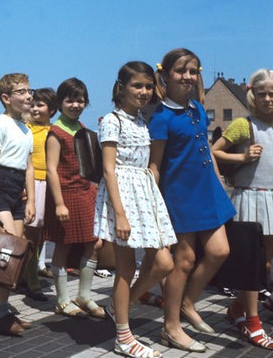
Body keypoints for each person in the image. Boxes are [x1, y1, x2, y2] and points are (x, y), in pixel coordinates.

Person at [148, 48, 234, 352]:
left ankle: (185, 302)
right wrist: (152, 206)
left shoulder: (197, 108)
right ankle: (170, 327)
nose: (187, 76)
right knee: (182, 261)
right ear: (166, 75)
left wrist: (220, 181)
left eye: (193, 71)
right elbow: (155, 165)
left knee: (220, 251)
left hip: (208, 190)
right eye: (181, 71)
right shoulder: (160, 118)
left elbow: (207, 150)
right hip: (180, 196)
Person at [94, 61, 177, 357]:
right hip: (123, 198)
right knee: (126, 267)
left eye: (147, 86)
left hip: (144, 196)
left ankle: (121, 307)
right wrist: (120, 213)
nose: (143, 91)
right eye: (136, 85)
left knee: (165, 263)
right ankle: (123, 337)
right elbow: (108, 169)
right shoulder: (112, 121)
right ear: (121, 87)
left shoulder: (142, 120)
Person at [212, 68, 273, 350]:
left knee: (266, 266)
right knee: (252, 264)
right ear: (253, 95)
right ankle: (252, 320)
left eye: (272, 93)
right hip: (250, 197)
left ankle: (237, 309)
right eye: (262, 94)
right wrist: (243, 155)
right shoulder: (244, 125)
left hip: (272, 199)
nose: (268, 99)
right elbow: (215, 150)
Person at [44, 77, 105, 319]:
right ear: (60, 103)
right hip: (65, 195)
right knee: (63, 245)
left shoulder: (82, 129)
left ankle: (84, 295)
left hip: (85, 193)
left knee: (94, 243)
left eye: (80, 100)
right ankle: (61, 300)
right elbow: (51, 169)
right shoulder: (55, 132)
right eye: (70, 100)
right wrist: (58, 203)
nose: (76, 104)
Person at [0, 73, 36, 335]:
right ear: (6, 98)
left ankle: (1, 308)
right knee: (8, 253)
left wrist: (31, 199)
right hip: (1, 186)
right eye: (22, 92)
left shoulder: (26, 129)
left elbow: (28, 166)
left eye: (30, 91)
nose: (29, 96)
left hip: (17, 191)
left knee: (18, 253)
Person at [22, 87, 57, 301]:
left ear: (51, 110)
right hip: (32, 182)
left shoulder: (54, 131)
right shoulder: (25, 129)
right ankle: (30, 278)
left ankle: (29, 273)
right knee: (31, 233)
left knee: (41, 233)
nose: (35, 108)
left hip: (50, 183)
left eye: (40, 105)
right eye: (33, 104)